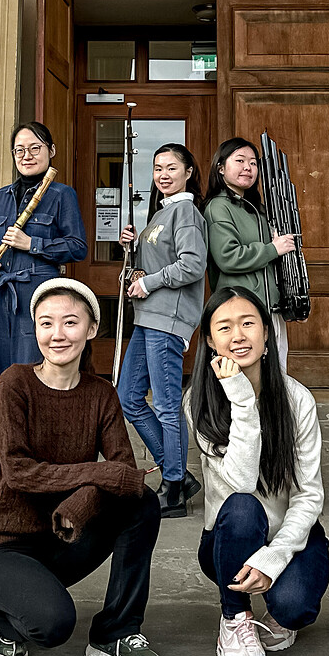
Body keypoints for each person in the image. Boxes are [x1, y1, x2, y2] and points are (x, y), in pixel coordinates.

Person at [0, 279, 165, 656]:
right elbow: (19, 472)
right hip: (2, 547)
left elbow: (125, 473)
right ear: (36, 329)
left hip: (61, 538)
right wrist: (97, 476)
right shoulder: (15, 383)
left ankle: (117, 633)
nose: (57, 334)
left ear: (91, 328)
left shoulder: (100, 392)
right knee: (52, 627)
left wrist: (78, 505)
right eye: (46, 323)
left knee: (140, 502)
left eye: (70, 322)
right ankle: (0, 609)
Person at [190, 287, 328, 656]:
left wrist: (276, 555)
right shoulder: (199, 401)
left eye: (248, 323)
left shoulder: (296, 399)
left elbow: (309, 494)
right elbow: (242, 481)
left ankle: (274, 602)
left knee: (295, 608)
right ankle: (234, 619)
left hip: (286, 532)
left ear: (267, 334)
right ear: (211, 340)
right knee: (244, 505)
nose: (238, 336)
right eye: (225, 327)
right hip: (229, 534)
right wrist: (241, 399)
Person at [115, 142, 207, 518]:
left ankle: (173, 489)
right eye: (157, 168)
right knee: (128, 397)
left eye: (171, 167)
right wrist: (132, 249)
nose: (163, 174)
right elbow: (153, 264)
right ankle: (177, 474)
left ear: (188, 172)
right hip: (148, 318)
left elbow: (192, 265)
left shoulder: (185, 211)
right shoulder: (161, 213)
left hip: (168, 320)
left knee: (168, 406)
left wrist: (149, 282)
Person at [0, 122, 88, 422]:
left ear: (51, 151)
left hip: (38, 302)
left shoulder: (62, 194)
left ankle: (34, 461)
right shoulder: (2, 196)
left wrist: (32, 243)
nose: (27, 155)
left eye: (35, 148)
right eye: (19, 150)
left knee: (33, 380)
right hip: (1, 300)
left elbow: (78, 247)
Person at [202, 137, 297, 371]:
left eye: (253, 163)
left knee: (276, 373)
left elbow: (278, 265)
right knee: (243, 376)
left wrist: (292, 302)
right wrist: (272, 248)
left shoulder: (258, 209)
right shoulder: (217, 207)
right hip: (240, 310)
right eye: (240, 160)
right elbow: (228, 257)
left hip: (269, 308)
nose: (248, 167)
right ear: (221, 168)